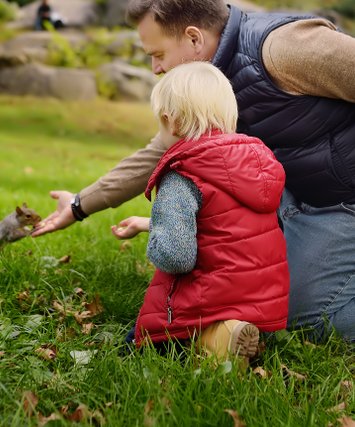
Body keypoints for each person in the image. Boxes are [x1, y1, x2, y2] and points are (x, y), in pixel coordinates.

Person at [35, 0, 355, 353]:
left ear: (194, 38)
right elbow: (160, 152)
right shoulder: (207, 86)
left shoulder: (282, 49)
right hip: (304, 198)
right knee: (244, 291)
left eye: (158, 54)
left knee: (291, 314)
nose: (156, 67)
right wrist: (79, 205)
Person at [111, 62, 289, 365]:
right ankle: (231, 333)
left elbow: (177, 256)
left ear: (172, 123)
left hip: (207, 300)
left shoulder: (183, 172)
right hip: (261, 300)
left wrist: (157, 240)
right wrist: (148, 223)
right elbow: (220, 223)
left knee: (139, 347)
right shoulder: (254, 164)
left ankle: (215, 342)